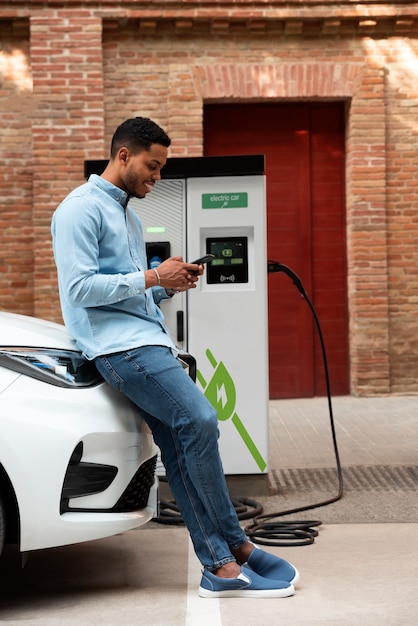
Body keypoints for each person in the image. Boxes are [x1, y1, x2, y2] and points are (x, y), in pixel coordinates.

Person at [51, 117, 300, 598]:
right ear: (124, 155)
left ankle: (222, 562)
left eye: (162, 168)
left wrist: (166, 285)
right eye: (152, 165)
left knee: (182, 450)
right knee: (202, 421)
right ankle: (233, 546)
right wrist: (150, 278)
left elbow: (127, 290)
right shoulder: (78, 211)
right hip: (121, 349)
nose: (156, 177)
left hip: (147, 338)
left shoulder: (129, 215)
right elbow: (79, 289)